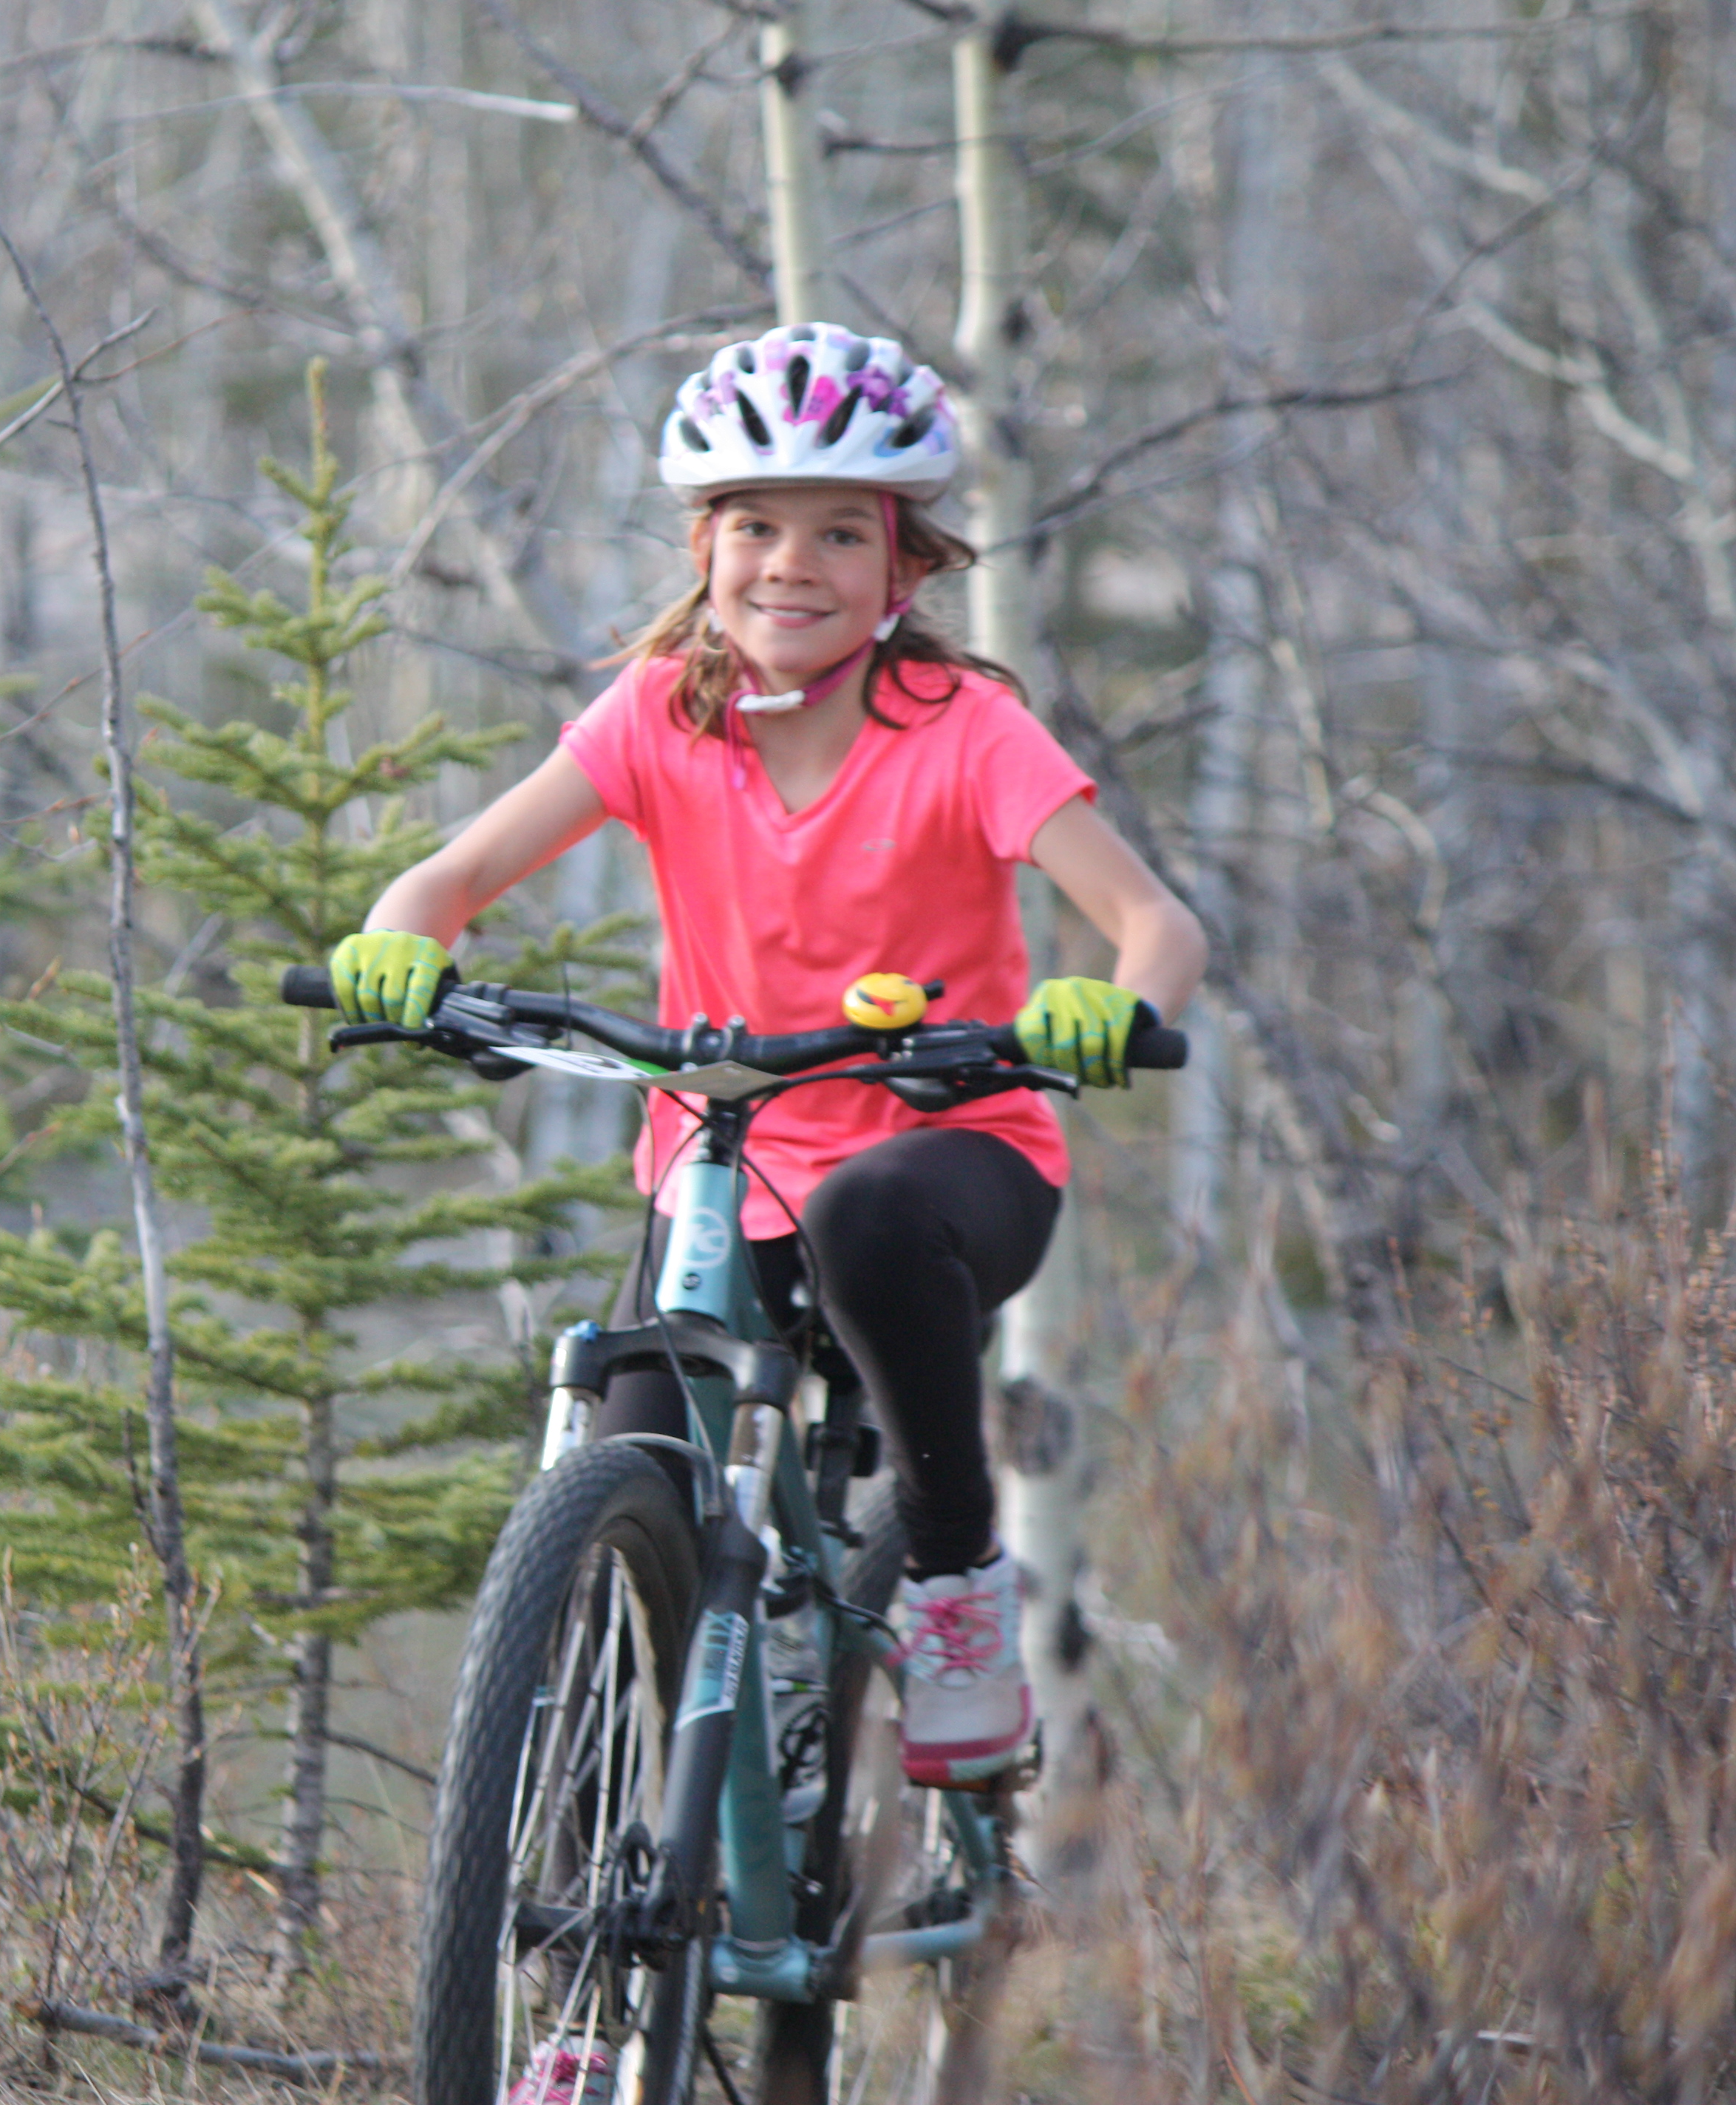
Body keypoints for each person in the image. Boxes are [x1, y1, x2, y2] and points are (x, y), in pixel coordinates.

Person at [328, 322, 1205, 1790]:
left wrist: (1112, 1007)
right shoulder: (660, 714)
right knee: (622, 1529)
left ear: (903, 567)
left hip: (949, 1160)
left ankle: (957, 1582)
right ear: (704, 546)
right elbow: (448, 877)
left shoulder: (964, 729)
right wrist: (399, 939)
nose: (791, 565)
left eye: (839, 532)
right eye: (756, 528)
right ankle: (580, 1900)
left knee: (867, 1213)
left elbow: (1156, 925)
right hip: (719, 1171)